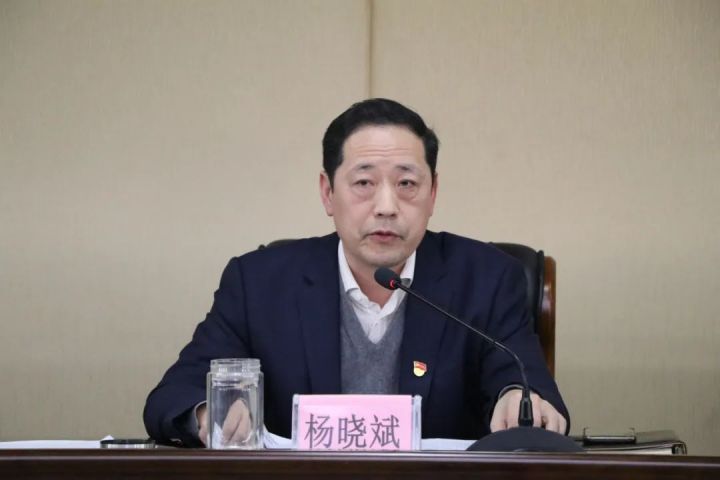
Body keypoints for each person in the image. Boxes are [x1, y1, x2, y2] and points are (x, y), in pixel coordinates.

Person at [143, 98, 569, 447]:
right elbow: (173, 396)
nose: (386, 206)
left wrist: (519, 398)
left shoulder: (488, 280)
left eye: (407, 184)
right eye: (364, 183)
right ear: (328, 193)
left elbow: (526, 384)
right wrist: (210, 414)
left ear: (433, 193)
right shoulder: (259, 284)